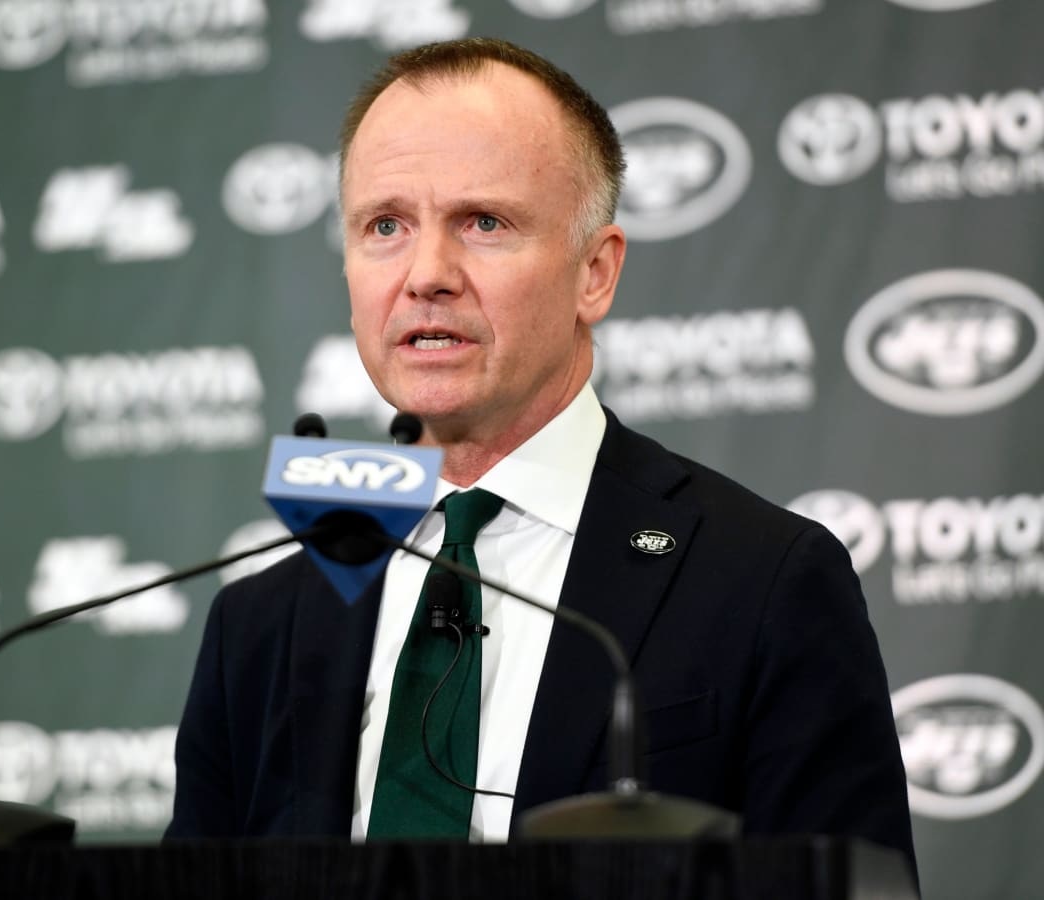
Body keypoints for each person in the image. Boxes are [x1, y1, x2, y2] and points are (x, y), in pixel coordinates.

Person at [166, 37, 916, 874]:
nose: (426, 275)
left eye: (483, 223)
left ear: (594, 273)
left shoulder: (765, 580)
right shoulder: (261, 623)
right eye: (385, 225)